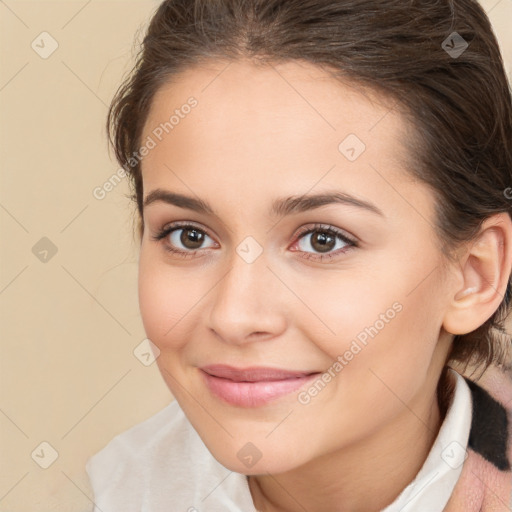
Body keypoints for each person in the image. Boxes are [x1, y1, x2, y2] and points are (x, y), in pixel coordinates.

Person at [86, 0, 512, 510]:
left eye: (322, 240)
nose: (235, 316)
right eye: (189, 235)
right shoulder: (114, 493)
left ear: (473, 274)